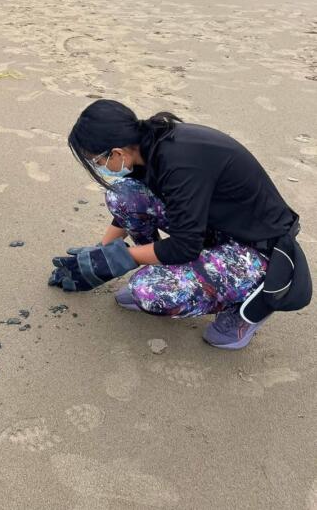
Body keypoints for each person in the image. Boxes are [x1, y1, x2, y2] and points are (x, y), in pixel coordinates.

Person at [50, 100, 311, 350]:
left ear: (116, 152)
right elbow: (132, 208)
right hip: (216, 228)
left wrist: (122, 257)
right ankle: (176, 271)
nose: (100, 167)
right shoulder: (146, 147)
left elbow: (185, 246)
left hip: (259, 250)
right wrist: (101, 252)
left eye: (97, 162)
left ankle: (246, 303)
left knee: (149, 291)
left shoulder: (179, 161)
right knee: (123, 195)